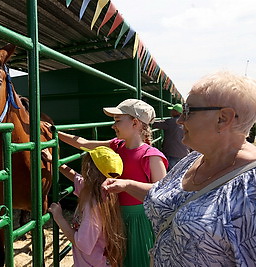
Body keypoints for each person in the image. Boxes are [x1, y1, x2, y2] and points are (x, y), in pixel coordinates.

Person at [102, 71, 256, 266]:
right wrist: (127, 184)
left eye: (188, 110)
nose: (180, 120)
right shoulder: (192, 160)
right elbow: (169, 196)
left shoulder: (251, 188)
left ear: (223, 118)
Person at [46, 98, 168, 267]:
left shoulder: (151, 155)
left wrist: (127, 184)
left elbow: (164, 191)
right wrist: (54, 132)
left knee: (138, 259)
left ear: (135, 123)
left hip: (139, 221)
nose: (113, 126)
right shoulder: (116, 146)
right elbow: (83, 143)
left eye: (118, 120)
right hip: (114, 217)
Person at [47, 146, 125, 267]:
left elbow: (82, 244)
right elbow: (74, 176)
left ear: (89, 169)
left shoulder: (93, 207)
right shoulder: (101, 191)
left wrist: (58, 217)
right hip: (93, 261)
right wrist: (55, 161)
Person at [152, 103, 189, 170]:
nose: (171, 112)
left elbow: (156, 124)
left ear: (177, 112)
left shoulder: (171, 122)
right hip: (184, 153)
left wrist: (149, 120)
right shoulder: (186, 122)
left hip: (172, 154)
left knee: (172, 174)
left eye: (173, 110)